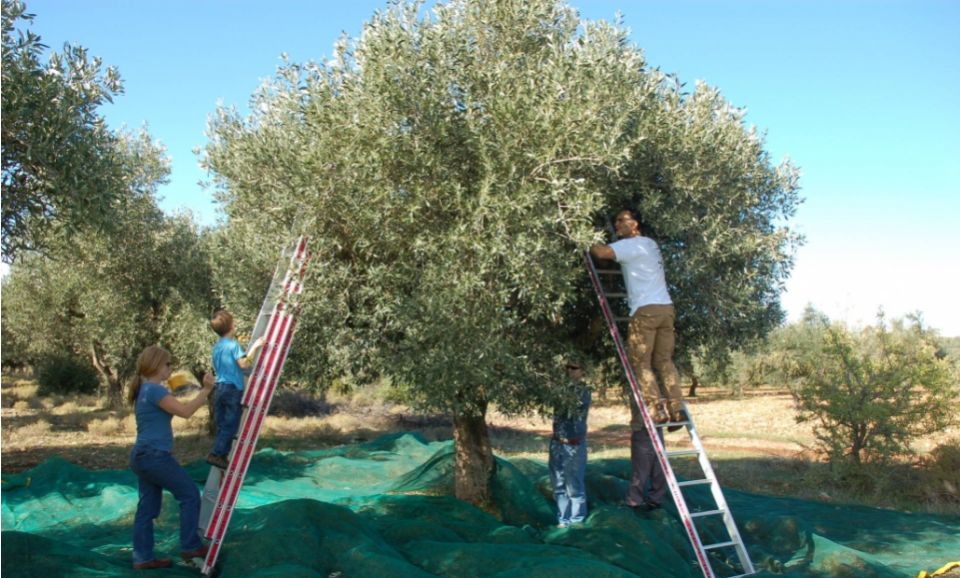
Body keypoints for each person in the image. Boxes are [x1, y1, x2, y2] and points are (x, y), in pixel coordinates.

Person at [590, 209, 684, 512]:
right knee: (664, 362)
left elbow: (601, 252)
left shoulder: (632, 245)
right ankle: (675, 409)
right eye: (616, 221)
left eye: (623, 221)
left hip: (644, 311)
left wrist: (584, 237)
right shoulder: (652, 244)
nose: (619, 225)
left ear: (636, 225)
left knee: (641, 364)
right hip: (666, 309)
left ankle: (656, 411)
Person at [128, 345, 215, 569]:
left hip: (141, 456)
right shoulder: (155, 391)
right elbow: (185, 412)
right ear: (157, 365)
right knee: (189, 494)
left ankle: (143, 558)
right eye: (167, 364)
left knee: (147, 509)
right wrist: (206, 390)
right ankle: (190, 546)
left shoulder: (144, 390)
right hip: (154, 456)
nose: (170, 368)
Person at [207, 310, 264, 469]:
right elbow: (244, 364)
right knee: (231, 425)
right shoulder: (233, 345)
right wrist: (255, 347)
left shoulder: (217, 347)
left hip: (219, 388)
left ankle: (222, 454)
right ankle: (217, 454)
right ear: (231, 326)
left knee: (222, 424)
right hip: (232, 389)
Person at [548, 361, 592, 528]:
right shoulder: (560, 390)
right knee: (558, 484)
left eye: (574, 368)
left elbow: (572, 408)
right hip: (557, 443)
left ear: (582, 371)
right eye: (567, 368)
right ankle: (563, 520)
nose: (569, 371)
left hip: (574, 444)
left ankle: (577, 521)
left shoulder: (584, 391)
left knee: (574, 485)